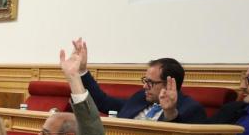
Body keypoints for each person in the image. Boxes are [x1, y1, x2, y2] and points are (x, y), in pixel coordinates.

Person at [73, 39, 207, 123]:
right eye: (145, 80)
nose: (144, 86)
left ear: (169, 84)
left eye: (150, 82)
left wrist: (170, 113)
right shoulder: (140, 98)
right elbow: (103, 102)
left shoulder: (191, 109)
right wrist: (83, 70)